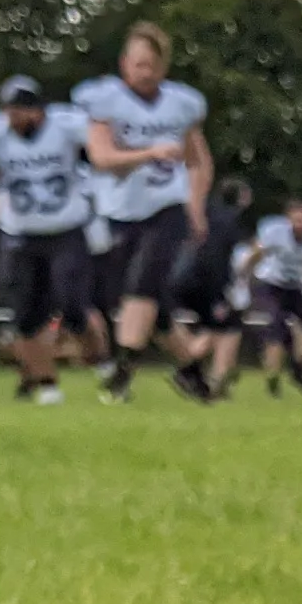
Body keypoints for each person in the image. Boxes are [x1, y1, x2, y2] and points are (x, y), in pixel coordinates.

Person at [73, 23, 211, 401]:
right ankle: (192, 372)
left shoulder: (181, 104)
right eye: (137, 65)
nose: (144, 73)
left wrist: (195, 206)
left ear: (163, 67)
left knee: (142, 283)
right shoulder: (105, 102)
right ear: (123, 64)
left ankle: (123, 369)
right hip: (120, 210)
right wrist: (147, 153)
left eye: (151, 65)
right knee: (155, 307)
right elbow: (101, 158)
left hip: (166, 205)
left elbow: (199, 161)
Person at [0, 74, 99, 403]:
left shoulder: (66, 125)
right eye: (9, 111)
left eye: (19, 111)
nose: (13, 119)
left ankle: (104, 362)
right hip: (21, 232)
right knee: (26, 314)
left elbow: (100, 147)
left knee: (73, 305)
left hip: (65, 228)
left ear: (37, 110)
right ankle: (45, 384)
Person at [160, 174, 255, 400]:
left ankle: (192, 367)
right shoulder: (229, 222)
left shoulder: (202, 211)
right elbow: (217, 259)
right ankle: (212, 382)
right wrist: (224, 288)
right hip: (205, 283)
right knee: (229, 327)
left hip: (176, 280)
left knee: (214, 327)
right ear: (242, 198)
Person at [245, 198, 302, 394]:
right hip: (271, 284)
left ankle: (299, 369)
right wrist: (244, 274)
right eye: (295, 220)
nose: (298, 225)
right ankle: (273, 377)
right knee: (276, 326)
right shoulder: (275, 233)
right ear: (288, 221)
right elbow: (256, 253)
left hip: (294, 287)